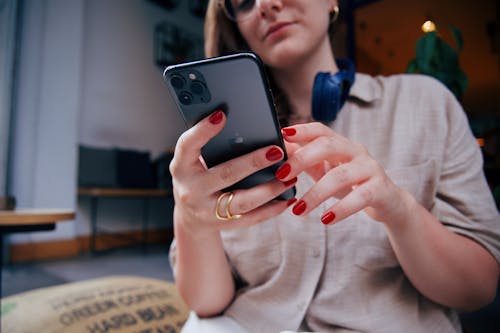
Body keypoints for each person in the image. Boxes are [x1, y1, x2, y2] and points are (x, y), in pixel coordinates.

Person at [168, 0, 500, 332]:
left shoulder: (428, 104)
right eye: (243, 1)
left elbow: (477, 289)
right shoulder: (220, 141)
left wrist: (398, 209)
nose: (266, 4)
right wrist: (191, 222)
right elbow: (206, 303)